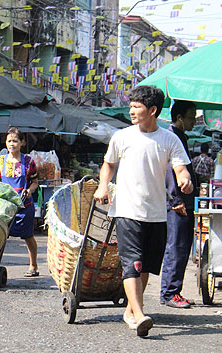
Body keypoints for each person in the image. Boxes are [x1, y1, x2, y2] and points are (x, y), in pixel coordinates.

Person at [93, 86, 193, 337]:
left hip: (157, 214)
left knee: (146, 266)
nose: (132, 111)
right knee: (133, 264)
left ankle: (131, 309)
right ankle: (138, 315)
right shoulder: (122, 136)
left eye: (137, 107)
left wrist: (185, 179)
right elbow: (108, 164)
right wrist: (104, 185)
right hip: (127, 210)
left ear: (153, 110)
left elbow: (181, 168)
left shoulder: (170, 140)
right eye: (131, 106)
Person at [161, 100, 198, 309]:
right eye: (191, 117)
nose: (194, 120)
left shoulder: (180, 137)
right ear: (180, 118)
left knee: (182, 247)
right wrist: (175, 200)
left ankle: (174, 291)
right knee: (176, 246)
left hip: (185, 201)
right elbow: (170, 171)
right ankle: (170, 293)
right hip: (177, 203)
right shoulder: (172, 137)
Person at [0, 127, 39, 277]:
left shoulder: (28, 161)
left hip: (24, 206)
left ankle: (34, 266)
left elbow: (35, 182)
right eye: (9, 141)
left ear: (22, 142)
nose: (12, 144)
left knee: (28, 236)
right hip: (4, 206)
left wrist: (30, 190)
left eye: (15, 141)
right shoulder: (1, 160)